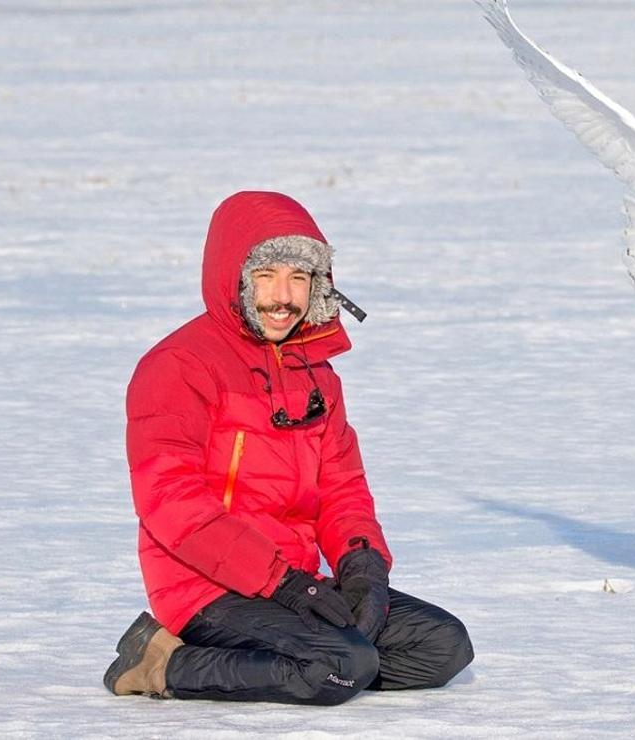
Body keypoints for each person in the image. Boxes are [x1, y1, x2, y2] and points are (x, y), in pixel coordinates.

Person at [103, 191, 473, 704]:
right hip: (206, 585)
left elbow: (342, 488)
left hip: (298, 580)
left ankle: (298, 659)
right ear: (233, 279)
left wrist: (361, 567)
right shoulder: (177, 367)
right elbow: (171, 502)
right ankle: (163, 664)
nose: (284, 297)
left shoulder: (316, 374)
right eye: (266, 276)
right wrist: (282, 583)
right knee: (340, 664)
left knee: (441, 646)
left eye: (299, 278)